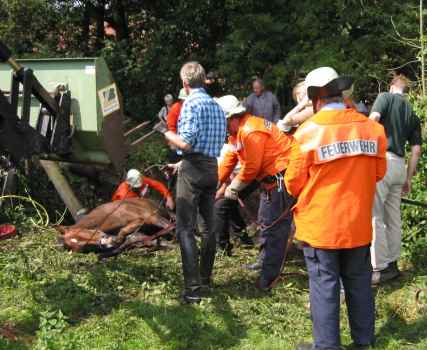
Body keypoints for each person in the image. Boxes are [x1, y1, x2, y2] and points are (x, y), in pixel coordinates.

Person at [285, 67, 387, 350]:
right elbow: (378, 173)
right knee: (359, 284)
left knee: (324, 287)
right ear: (341, 94)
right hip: (357, 225)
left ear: (316, 99)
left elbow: (293, 185)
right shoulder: (372, 128)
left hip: (321, 229)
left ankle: (328, 346)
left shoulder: (306, 133)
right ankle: (364, 341)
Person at [156, 61, 227, 304]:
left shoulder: (190, 104)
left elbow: (185, 144)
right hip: (211, 167)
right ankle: (206, 281)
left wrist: (164, 132)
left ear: (185, 83)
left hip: (193, 168)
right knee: (209, 228)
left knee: (184, 228)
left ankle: (192, 290)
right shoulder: (216, 106)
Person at [216, 95, 294, 290]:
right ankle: (264, 261)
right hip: (270, 181)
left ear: (231, 118)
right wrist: (216, 184)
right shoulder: (238, 133)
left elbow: (251, 167)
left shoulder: (251, 131)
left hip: (282, 179)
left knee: (274, 227)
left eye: (222, 122)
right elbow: (230, 159)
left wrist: (233, 187)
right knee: (264, 220)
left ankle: (269, 277)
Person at [369, 75, 423, 285]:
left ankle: (378, 268)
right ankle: (392, 264)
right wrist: (408, 178)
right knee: (393, 217)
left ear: (392, 87)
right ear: (406, 91)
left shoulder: (385, 97)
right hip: (400, 165)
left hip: (382, 161)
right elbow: (416, 151)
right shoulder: (412, 113)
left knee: (375, 216)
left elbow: (372, 120)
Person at [214, 143, 254, 255]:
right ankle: (245, 239)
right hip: (234, 177)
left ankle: (222, 248)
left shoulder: (221, 151)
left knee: (219, 205)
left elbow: (228, 177)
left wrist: (218, 194)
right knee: (229, 205)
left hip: (248, 176)